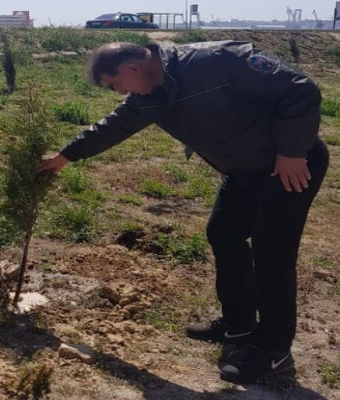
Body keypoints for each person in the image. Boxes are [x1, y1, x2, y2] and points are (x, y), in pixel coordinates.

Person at [38, 41, 329, 383]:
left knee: (272, 253)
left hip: (291, 167)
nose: (117, 92)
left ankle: (273, 352)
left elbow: (300, 89)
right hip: (244, 171)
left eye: (114, 84)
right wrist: (63, 158)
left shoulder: (218, 60)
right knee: (223, 233)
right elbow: (112, 126)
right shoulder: (150, 96)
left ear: (132, 68)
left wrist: (292, 151)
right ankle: (238, 326)